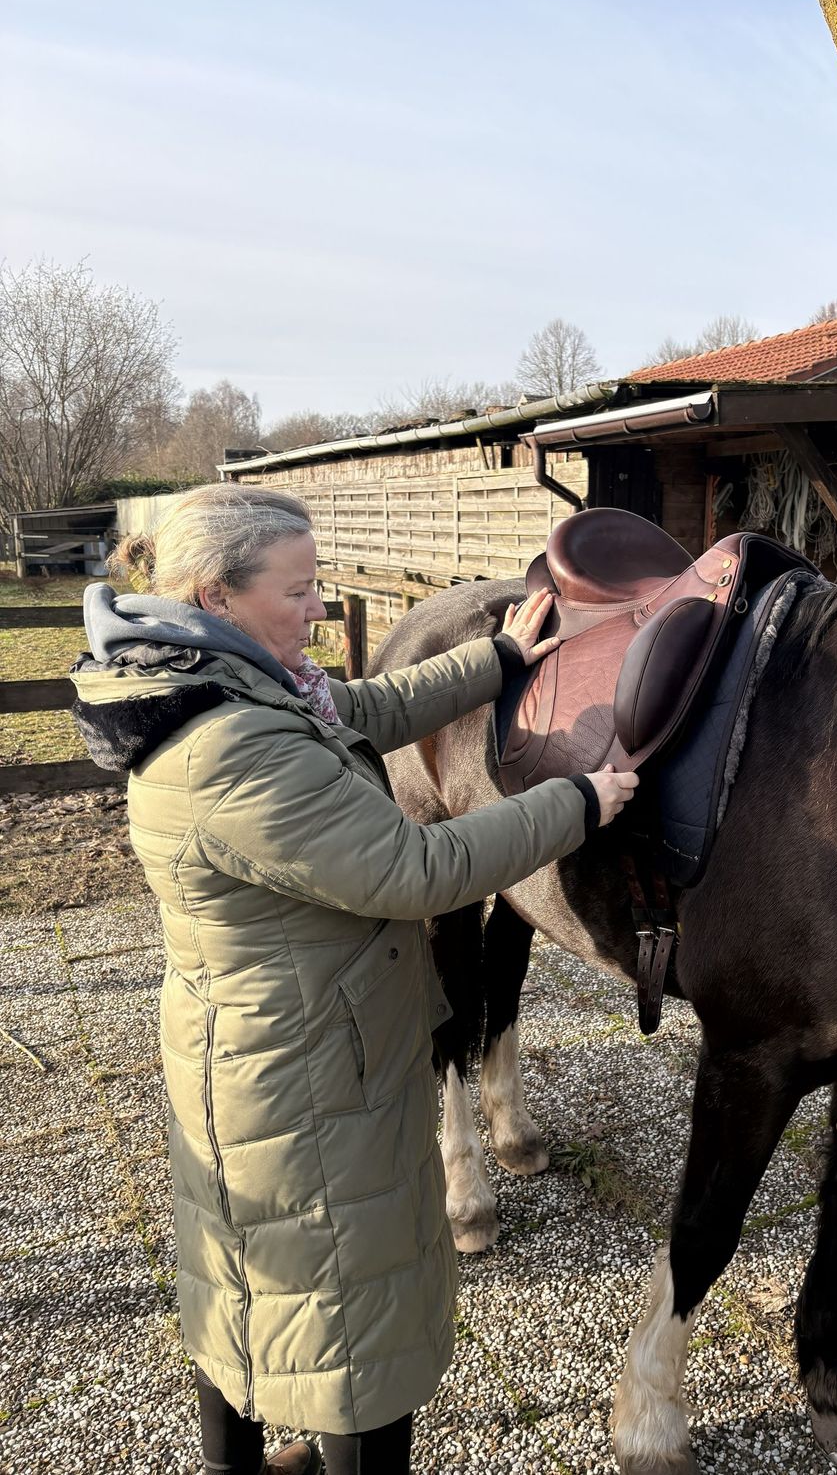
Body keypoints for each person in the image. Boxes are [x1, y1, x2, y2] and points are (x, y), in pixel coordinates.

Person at [71, 484, 637, 1474]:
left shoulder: (221, 680)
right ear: (216, 595)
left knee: (255, 1285)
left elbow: (366, 710)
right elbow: (418, 870)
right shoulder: (231, 749)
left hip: (264, 1044)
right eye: (297, 589)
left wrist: (497, 658)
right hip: (308, 1074)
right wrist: (575, 804)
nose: (319, 607)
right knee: (351, 1321)